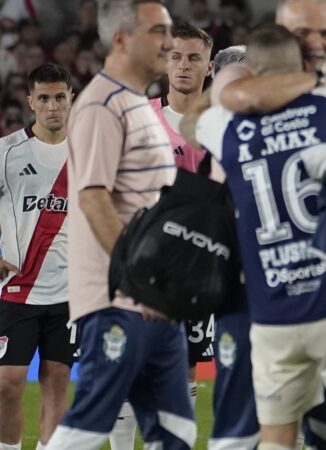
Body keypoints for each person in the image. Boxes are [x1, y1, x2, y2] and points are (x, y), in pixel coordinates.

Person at [192, 23, 326, 450]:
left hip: (271, 312)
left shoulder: (222, 127)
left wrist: (239, 92)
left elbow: (196, 117)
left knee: (277, 439)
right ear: (300, 68)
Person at [47, 1, 195, 448]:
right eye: (158, 32)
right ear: (120, 39)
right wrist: (141, 280)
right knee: (88, 427)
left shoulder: (135, 105)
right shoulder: (99, 104)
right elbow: (93, 199)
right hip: (119, 301)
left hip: (157, 303)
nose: (169, 43)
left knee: (175, 431)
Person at [0, 63, 76, 450]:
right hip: (17, 290)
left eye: (59, 97)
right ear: (30, 101)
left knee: (57, 380)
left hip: (69, 292)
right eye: (43, 98)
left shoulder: (88, 153)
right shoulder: (7, 151)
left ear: (70, 100)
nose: (52, 106)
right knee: (7, 384)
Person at [149, 20, 215, 412]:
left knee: (188, 368)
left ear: (210, 66)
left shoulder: (225, 125)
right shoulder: (140, 119)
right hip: (145, 262)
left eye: (194, 57)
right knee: (134, 361)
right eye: (176, 56)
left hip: (202, 265)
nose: (184, 65)